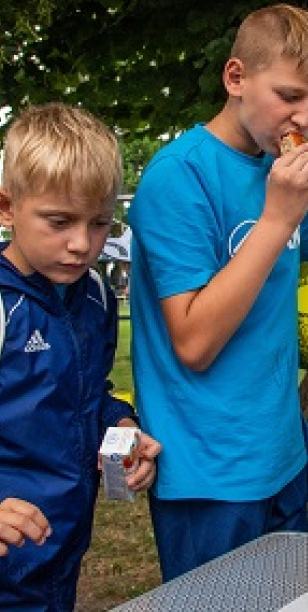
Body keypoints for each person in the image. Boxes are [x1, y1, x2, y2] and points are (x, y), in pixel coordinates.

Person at [129, 4, 308, 581]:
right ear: (236, 79)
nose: (305, 117)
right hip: (209, 472)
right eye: (289, 95)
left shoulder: (281, 172)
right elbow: (193, 341)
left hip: (283, 456)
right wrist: (277, 217)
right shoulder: (178, 176)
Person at [0, 102, 161, 610]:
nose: (81, 244)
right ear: (7, 208)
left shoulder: (92, 293)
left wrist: (123, 424)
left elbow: (90, 393)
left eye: (99, 224)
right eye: (59, 221)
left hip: (60, 551)